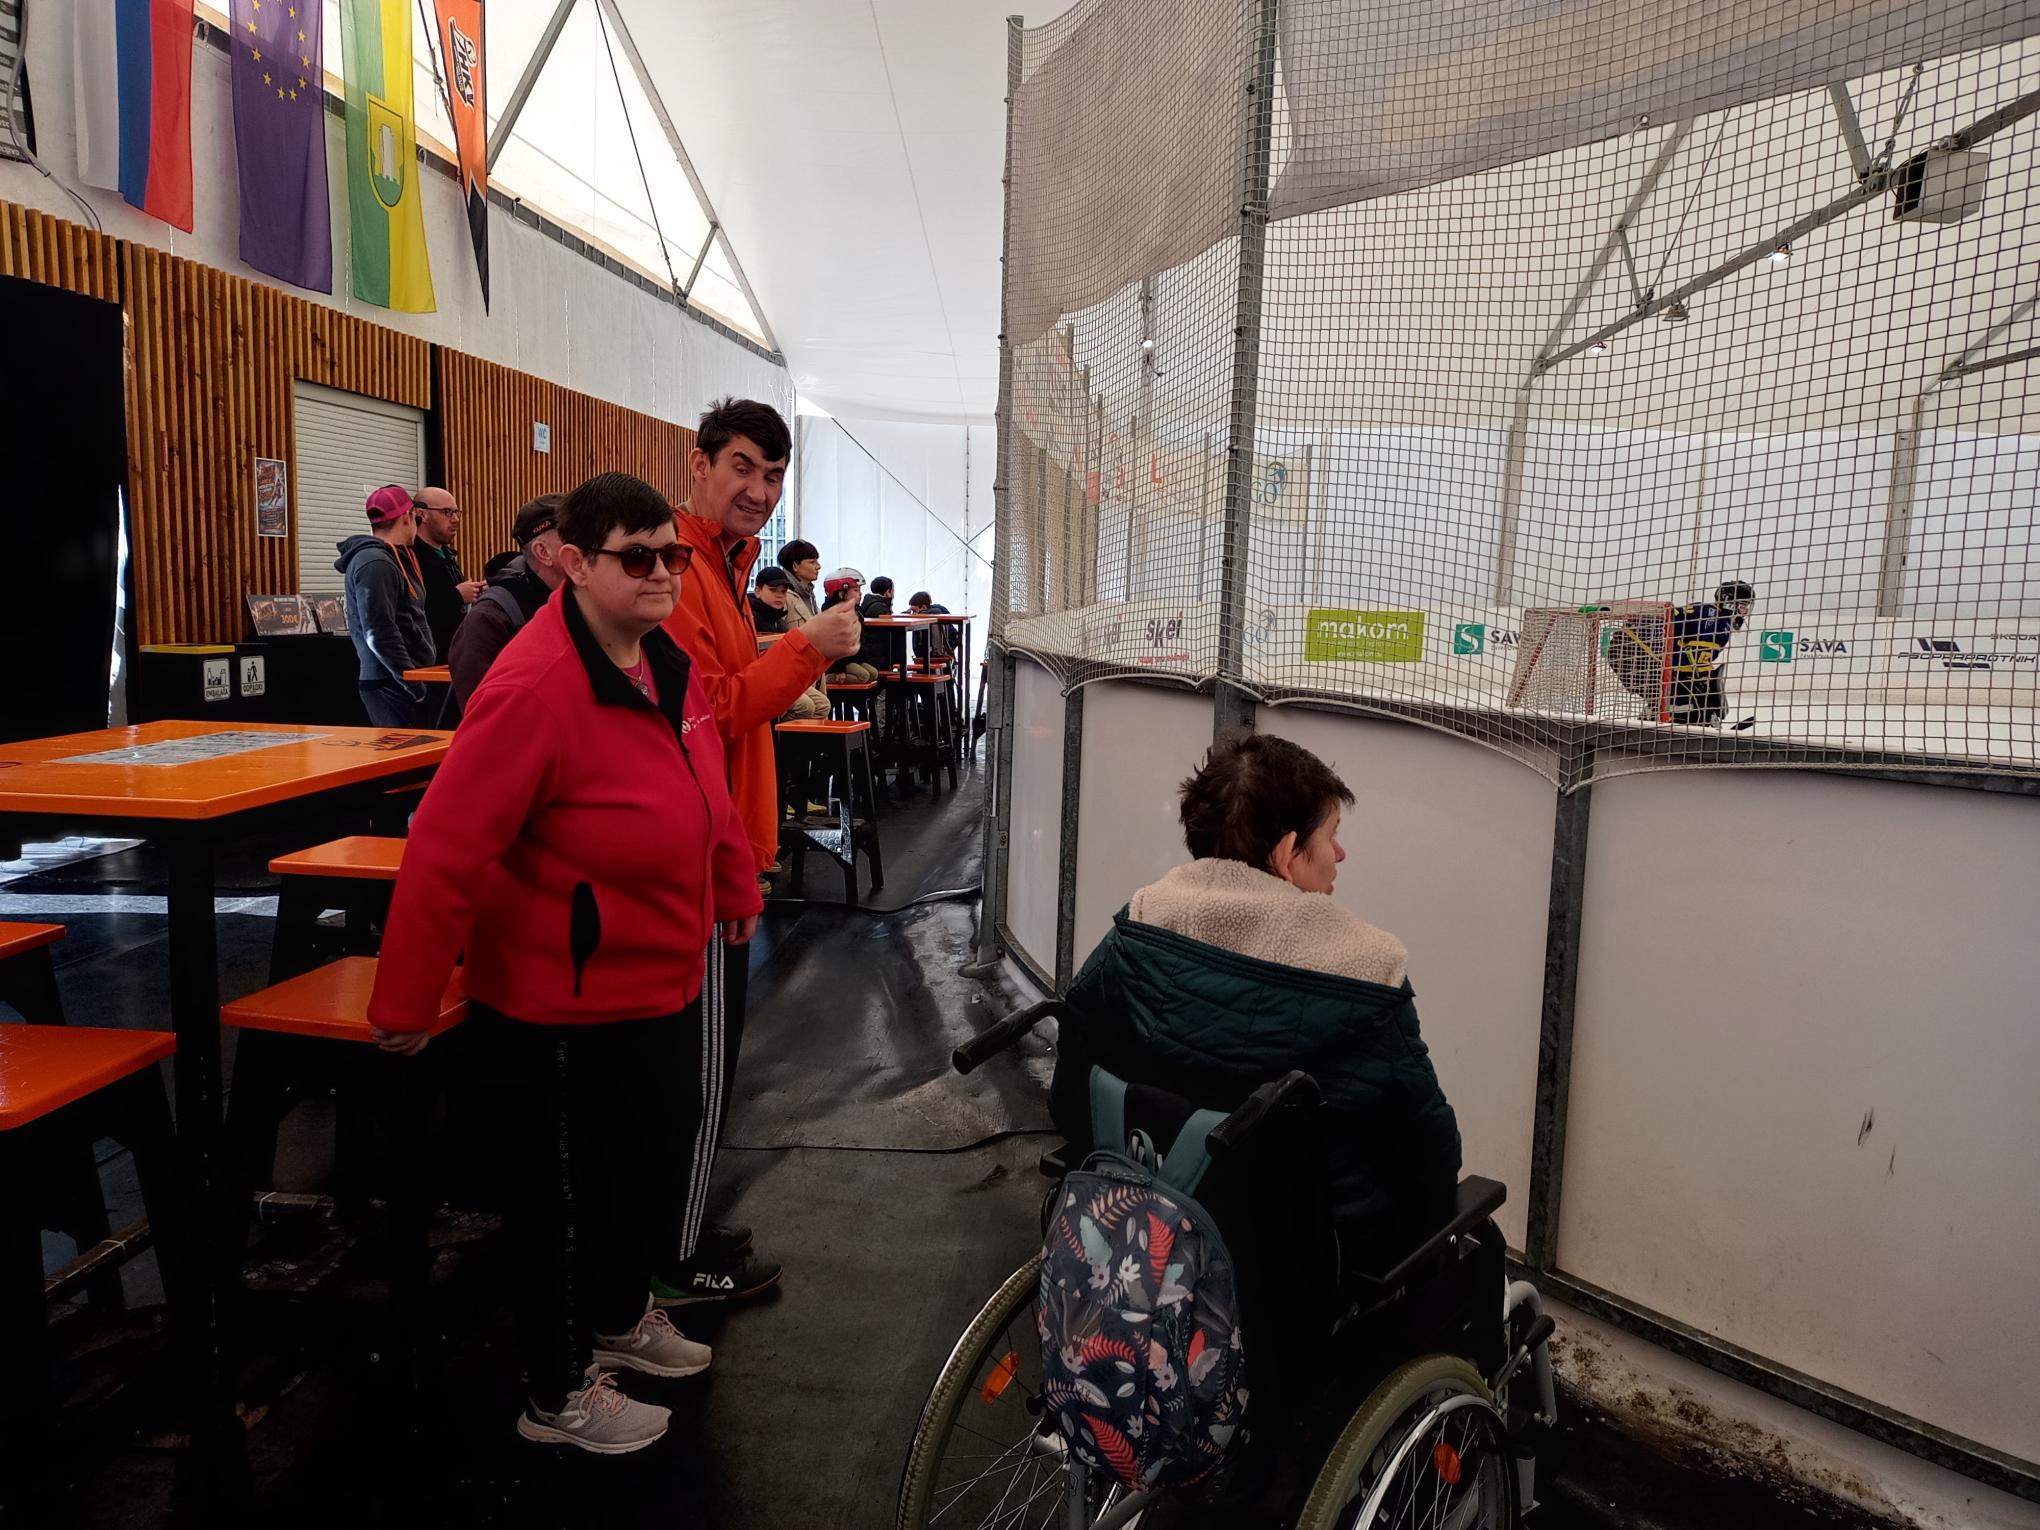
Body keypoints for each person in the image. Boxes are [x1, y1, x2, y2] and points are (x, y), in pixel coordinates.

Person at [367, 472, 761, 1456]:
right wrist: (405, 998)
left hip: (660, 978)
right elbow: (447, 846)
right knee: (560, 1204)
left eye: (673, 555)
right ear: (576, 564)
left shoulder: (663, 661)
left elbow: (704, 787)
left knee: (646, 1164)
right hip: (560, 1001)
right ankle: (555, 1390)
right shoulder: (532, 689)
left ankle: (619, 1316)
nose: (664, 574)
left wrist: (733, 885)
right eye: (640, 558)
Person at [1048, 730, 1463, 1275]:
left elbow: (1069, 1102)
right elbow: (1432, 1162)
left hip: (1138, 1229)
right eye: (1332, 834)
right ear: (1287, 854)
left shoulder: (1135, 932)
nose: (1340, 853)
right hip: (1298, 1277)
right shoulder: (1368, 981)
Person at [661, 398, 862, 1304]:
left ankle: (676, 1226)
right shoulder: (683, 569)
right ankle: (671, 1259)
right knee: (698, 1074)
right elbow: (715, 712)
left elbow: (725, 699)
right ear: (699, 464)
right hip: (700, 859)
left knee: (701, 1068)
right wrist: (807, 650)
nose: (758, 488)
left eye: (773, 475)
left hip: (722, 848)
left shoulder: (723, 565)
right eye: (742, 466)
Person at [447, 494, 566, 709]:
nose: (591, 546)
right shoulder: (489, 620)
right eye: (576, 537)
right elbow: (486, 715)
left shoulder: (588, 602)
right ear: (543, 552)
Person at [335, 485, 436, 727]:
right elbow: (379, 632)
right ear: (406, 517)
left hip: (399, 679)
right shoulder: (376, 563)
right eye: (416, 517)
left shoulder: (389, 558)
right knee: (411, 751)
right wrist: (412, 684)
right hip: (391, 682)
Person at [1665, 579, 1755, 725]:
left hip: (1669, 668)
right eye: (1743, 605)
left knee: (1696, 702)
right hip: (1656, 663)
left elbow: (1696, 657)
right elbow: (1694, 657)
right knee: (1692, 705)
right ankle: (1664, 717)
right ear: (1729, 601)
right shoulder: (1711, 617)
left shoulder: (1717, 617)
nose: (1745, 611)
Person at [411, 487, 485, 662]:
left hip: (453, 654)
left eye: (456, 512)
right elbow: (416, 612)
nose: (455, 519)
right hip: (428, 660)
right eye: (447, 512)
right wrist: (457, 596)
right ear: (422, 514)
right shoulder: (412, 558)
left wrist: (476, 591)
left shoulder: (447, 555)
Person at [819, 568, 880, 684]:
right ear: (841, 593)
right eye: (856, 590)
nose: (860, 594)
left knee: (874, 673)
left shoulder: (856, 612)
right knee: (863, 676)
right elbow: (833, 647)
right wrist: (839, 669)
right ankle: (827, 679)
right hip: (841, 662)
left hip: (854, 658)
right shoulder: (833, 615)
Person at [777, 539, 823, 627]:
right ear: (795, 566)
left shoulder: (809, 595)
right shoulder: (783, 597)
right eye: (812, 562)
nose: (818, 566)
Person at [907, 590, 954, 664]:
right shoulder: (940, 612)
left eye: (914, 610)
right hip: (941, 654)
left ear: (924, 607)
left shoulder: (925, 619)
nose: (913, 614)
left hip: (928, 657)